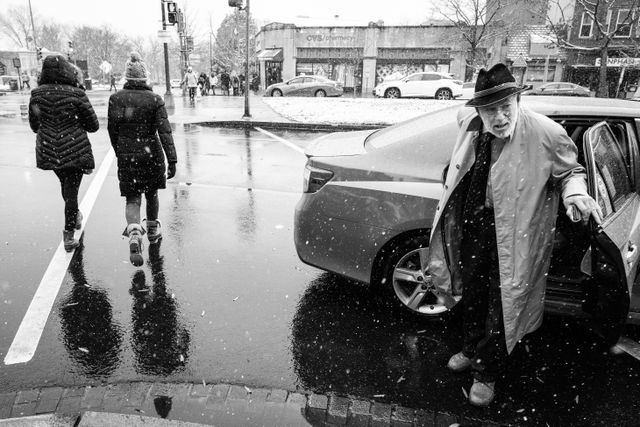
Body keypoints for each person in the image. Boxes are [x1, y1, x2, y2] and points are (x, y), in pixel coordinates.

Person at [427, 63, 602, 407]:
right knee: (473, 292)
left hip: (517, 235)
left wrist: (574, 192)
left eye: (505, 107)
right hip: (476, 226)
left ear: (518, 102)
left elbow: (570, 172)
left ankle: (485, 372)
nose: (499, 118)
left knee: (502, 304)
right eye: (490, 110)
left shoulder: (547, 133)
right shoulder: (470, 124)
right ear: (478, 110)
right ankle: (469, 347)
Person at [107, 52, 177, 266]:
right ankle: (153, 230)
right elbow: (165, 131)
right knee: (151, 193)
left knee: (132, 197)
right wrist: (172, 159)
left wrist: (120, 151)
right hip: (151, 154)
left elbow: (112, 130)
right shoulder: (154, 100)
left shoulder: (116, 99)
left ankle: (135, 233)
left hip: (127, 154)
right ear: (144, 78)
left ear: (127, 78)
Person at [28, 54, 99, 251]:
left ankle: (74, 217)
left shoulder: (37, 95)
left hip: (49, 149)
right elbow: (93, 126)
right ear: (67, 70)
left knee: (66, 186)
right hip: (75, 149)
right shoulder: (76, 94)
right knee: (71, 192)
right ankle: (69, 234)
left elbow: (35, 125)